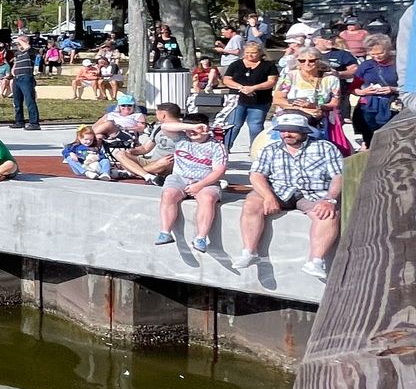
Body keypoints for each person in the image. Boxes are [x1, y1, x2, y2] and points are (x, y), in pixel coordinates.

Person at [234, 111, 344, 281]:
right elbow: (256, 175)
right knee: (251, 203)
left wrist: (330, 199)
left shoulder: (325, 147)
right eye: (283, 130)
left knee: (329, 214)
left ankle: (315, 260)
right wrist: (268, 196)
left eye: (292, 130)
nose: (286, 134)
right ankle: (249, 251)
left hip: (313, 193)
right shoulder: (269, 149)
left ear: (304, 131)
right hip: (279, 190)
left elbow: (339, 176)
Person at [155, 120, 227, 251]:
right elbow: (164, 126)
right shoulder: (181, 139)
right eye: (189, 129)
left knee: (208, 198)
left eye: (197, 129)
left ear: (206, 129)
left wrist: (200, 185)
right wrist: (192, 127)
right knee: (168, 194)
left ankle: (201, 238)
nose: (192, 132)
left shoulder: (217, 146)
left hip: (206, 181)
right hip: (179, 178)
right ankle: (165, 232)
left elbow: (219, 171)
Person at [218, 40, 278, 153]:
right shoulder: (236, 64)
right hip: (237, 99)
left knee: (255, 125)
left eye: (253, 52)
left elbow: (271, 81)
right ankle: (224, 148)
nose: (250, 55)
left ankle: (256, 149)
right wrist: (241, 88)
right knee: (234, 125)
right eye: (247, 52)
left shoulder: (269, 65)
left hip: (260, 100)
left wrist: (253, 88)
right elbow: (226, 80)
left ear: (260, 52)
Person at [114, 102, 188, 184]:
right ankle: (147, 175)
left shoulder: (184, 130)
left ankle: (133, 172)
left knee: (168, 162)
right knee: (120, 154)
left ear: (163, 115)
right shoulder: (158, 128)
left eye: (157, 114)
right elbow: (145, 148)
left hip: (167, 163)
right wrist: (133, 151)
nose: (156, 117)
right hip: (151, 163)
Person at [352, 34, 401, 147]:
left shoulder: (399, 64)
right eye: (372, 54)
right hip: (369, 106)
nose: (376, 57)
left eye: (380, 53)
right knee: (371, 135)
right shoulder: (366, 65)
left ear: (388, 49)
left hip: (393, 105)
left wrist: (393, 89)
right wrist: (362, 92)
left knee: (391, 136)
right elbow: (353, 88)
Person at [7, 34, 41, 131]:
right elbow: (16, 63)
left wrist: (19, 39)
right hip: (17, 78)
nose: (17, 44)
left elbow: (27, 47)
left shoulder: (31, 51)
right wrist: (13, 70)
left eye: (20, 42)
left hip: (26, 78)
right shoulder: (18, 53)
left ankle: (34, 123)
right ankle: (19, 121)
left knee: (29, 100)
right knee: (17, 101)